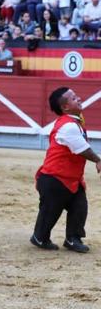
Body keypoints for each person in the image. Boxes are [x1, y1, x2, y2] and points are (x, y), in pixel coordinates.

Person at [31, 87, 101, 253]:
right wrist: (98, 160)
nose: (78, 98)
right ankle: (39, 237)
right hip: (54, 179)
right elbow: (81, 149)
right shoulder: (68, 126)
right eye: (73, 98)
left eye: (76, 95)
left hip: (70, 177)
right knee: (51, 210)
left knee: (79, 207)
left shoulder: (74, 121)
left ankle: (73, 239)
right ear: (65, 107)